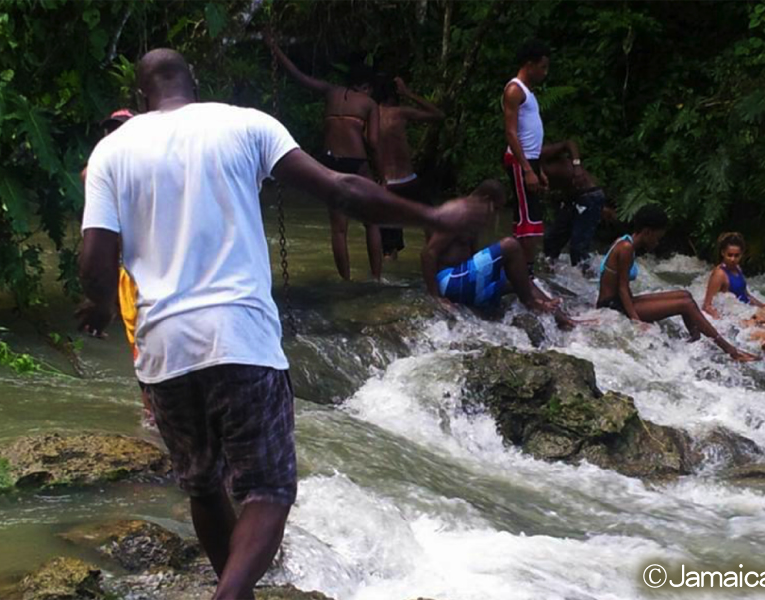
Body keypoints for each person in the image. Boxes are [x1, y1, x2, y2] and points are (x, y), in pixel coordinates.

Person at [77, 48, 487, 600]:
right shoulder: (246, 123)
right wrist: (432, 216)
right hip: (240, 336)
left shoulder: (111, 152)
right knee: (268, 489)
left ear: (139, 95)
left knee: (203, 486)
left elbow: (96, 262)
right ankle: (231, 594)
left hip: (163, 348)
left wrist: (101, 308)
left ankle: (234, 590)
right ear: (193, 83)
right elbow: (342, 190)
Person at [265, 30, 383, 281]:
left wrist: (275, 49)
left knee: (339, 230)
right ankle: (376, 279)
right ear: (366, 87)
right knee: (372, 222)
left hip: (329, 162)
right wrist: (380, 174)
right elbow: (372, 142)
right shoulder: (369, 104)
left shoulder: (330, 91)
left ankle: (346, 282)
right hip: (356, 162)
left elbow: (299, 76)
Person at [595, 205, 757, 362]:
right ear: (647, 232)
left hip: (622, 302)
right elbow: (622, 288)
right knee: (685, 304)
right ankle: (730, 350)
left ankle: (695, 339)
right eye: (657, 238)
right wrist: (636, 321)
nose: (658, 242)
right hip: (612, 306)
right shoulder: (626, 248)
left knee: (685, 295)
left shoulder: (625, 242)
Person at [80, 108, 154, 427]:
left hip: (147, 269)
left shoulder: (149, 169)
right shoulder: (102, 170)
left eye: (123, 129)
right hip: (126, 273)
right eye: (111, 130)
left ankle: (155, 414)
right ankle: (151, 414)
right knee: (140, 350)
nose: (115, 135)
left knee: (149, 347)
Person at [421, 179, 573, 327]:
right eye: (497, 208)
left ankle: (562, 318)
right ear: (486, 200)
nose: (496, 215)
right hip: (449, 282)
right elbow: (428, 253)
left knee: (519, 276)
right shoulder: (457, 213)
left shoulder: (472, 216)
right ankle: (531, 303)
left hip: (465, 283)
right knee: (511, 245)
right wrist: (436, 297)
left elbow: (473, 258)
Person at [376, 76, 445, 258]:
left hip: (386, 184)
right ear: (395, 95)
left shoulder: (370, 115)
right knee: (431, 222)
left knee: (390, 245)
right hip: (407, 180)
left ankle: (385, 282)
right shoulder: (400, 113)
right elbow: (438, 115)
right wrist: (409, 94)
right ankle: (433, 263)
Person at [502, 39, 550, 273]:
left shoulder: (527, 93)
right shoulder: (514, 90)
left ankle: (523, 269)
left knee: (530, 218)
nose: (544, 72)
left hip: (530, 160)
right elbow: (511, 133)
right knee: (527, 221)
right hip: (520, 161)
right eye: (542, 67)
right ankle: (524, 272)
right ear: (530, 65)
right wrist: (527, 169)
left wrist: (537, 169)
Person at [539, 139, 606, 268]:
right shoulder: (527, 170)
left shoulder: (541, 154)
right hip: (571, 199)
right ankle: (550, 273)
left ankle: (588, 281)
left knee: (578, 248)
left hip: (589, 195)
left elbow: (569, 143)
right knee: (551, 239)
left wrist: (577, 166)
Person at [702, 232, 763, 317]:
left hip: (746, 310)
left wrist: (764, 307)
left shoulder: (738, 268)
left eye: (736, 255)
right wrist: (721, 321)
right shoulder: (719, 274)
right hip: (733, 315)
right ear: (723, 253)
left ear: (741, 255)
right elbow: (707, 305)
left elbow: (746, 295)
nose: (733, 259)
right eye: (729, 255)